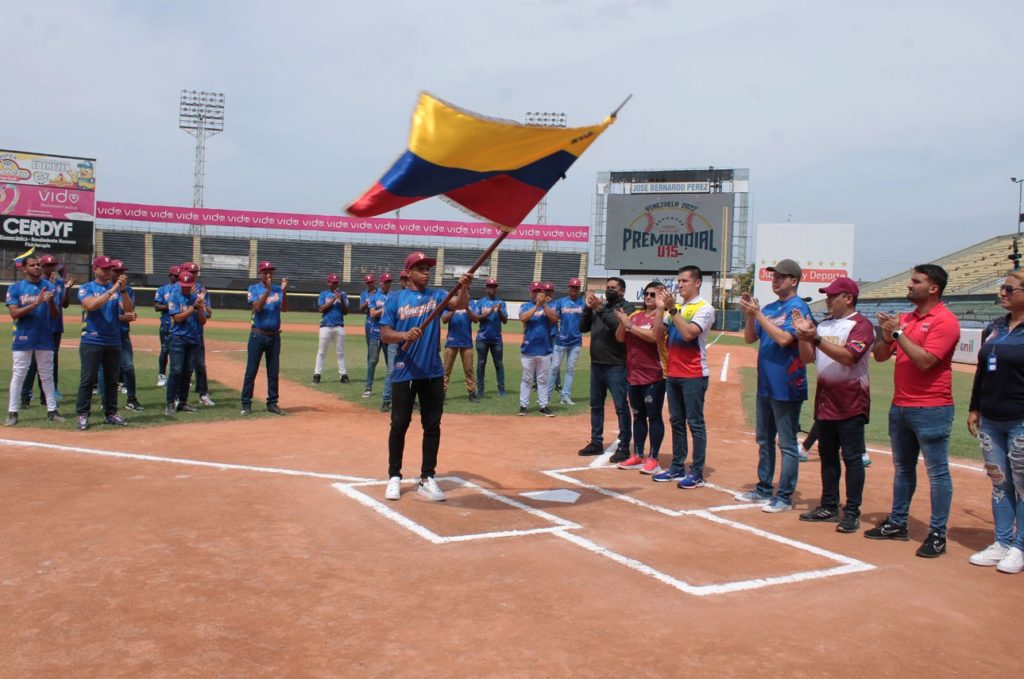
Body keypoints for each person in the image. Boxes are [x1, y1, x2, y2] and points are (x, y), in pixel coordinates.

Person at [867, 264, 960, 558]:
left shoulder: (945, 321)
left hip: (932, 408)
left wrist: (897, 333)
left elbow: (925, 362)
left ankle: (937, 533)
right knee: (903, 469)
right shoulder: (906, 319)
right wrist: (886, 336)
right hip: (901, 406)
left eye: (916, 282)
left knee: (937, 473)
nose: (910, 285)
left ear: (933, 288)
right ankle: (897, 522)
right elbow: (880, 357)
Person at [380, 251, 473, 502]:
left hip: (432, 371)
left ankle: (427, 477)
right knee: (399, 424)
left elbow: (461, 305)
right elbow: (385, 333)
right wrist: (403, 336)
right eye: (420, 268)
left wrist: (464, 287)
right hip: (404, 371)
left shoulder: (438, 295)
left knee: (432, 425)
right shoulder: (396, 299)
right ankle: (394, 477)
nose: (425, 272)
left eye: (428, 268)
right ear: (408, 272)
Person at [792, 277, 874, 534]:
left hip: (851, 401)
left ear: (848, 298)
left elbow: (849, 357)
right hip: (826, 400)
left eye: (832, 295)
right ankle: (828, 505)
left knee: (851, 457)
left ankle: (852, 512)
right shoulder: (824, 324)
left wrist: (814, 338)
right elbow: (807, 359)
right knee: (827, 456)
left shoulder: (861, 325)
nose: (827, 299)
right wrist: (802, 336)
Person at [734, 259, 811, 512]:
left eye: (780, 276)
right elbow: (749, 338)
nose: (775, 280)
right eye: (773, 276)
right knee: (764, 439)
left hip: (787, 385)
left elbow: (784, 338)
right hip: (765, 385)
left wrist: (758, 315)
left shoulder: (798, 308)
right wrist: (750, 316)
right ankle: (764, 488)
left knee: (787, 444)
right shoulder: (769, 308)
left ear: (794, 281)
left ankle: (785, 497)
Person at [967, 271, 1024, 573]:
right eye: (1001, 288)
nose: (1002, 293)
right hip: (991, 419)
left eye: (1008, 289)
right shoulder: (996, 327)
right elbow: (981, 370)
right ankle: (1002, 541)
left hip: (1021, 420)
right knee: (1000, 483)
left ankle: (1020, 546)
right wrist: (975, 407)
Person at [653, 266, 716, 488]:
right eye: (679, 281)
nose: (680, 285)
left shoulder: (704, 308)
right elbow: (658, 335)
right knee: (676, 422)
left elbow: (689, 334)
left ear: (697, 283)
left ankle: (697, 472)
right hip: (674, 373)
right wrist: (661, 309)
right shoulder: (676, 307)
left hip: (694, 374)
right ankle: (677, 467)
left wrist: (672, 311)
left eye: (685, 281)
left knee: (695, 424)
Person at [613, 281, 668, 475]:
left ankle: (653, 458)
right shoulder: (636, 316)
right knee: (637, 416)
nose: (648, 297)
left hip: (654, 373)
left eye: (653, 294)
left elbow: (655, 337)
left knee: (653, 416)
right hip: (633, 373)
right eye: (646, 293)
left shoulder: (664, 315)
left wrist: (629, 325)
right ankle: (637, 455)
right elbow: (620, 338)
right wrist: (624, 322)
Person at [577, 277, 634, 461]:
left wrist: (599, 309)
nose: (609, 289)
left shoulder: (627, 309)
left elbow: (617, 326)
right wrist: (587, 307)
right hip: (597, 364)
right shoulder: (599, 307)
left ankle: (624, 445)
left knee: (621, 406)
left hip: (616, 365)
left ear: (622, 291)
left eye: (613, 287)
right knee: (596, 405)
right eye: (607, 287)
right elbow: (583, 327)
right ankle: (596, 441)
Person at [75, 255, 132, 430]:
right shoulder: (87, 288)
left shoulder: (117, 290)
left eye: (110, 269)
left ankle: (111, 412)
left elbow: (129, 310)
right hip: (92, 339)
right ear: (95, 269)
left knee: (111, 379)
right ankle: (82, 414)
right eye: (104, 269)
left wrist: (122, 291)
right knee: (88, 379)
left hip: (113, 339)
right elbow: (91, 305)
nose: (108, 272)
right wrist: (114, 289)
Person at [5, 255, 63, 425]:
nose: (37, 267)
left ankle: (52, 410)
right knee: (19, 374)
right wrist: (36, 303)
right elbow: (14, 313)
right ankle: (12, 412)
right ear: (24, 269)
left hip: (44, 336)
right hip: (23, 336)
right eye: (33, 265)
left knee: (47, 375)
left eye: (38, 265)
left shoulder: (49, 287)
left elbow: (54, 315)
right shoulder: (16, 288)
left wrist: (51, 301)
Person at [20, 253, 73, 406]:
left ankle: (48, 393)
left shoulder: (58, 282)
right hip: (40, 327)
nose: (50, 268)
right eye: (47, 265)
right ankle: (26, 395)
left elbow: (64, 304)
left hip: (56, 327)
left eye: (52, 265)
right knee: (32, 363)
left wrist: (67, 289)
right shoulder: (36, 284)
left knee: (51, 362)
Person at [241, 261, 288, 416]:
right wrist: (267, 291)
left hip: (274, 336)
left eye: (271, 272)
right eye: (266, 272)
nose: (269, 274)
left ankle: (272, 403)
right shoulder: (253, 288)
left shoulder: (277, 290)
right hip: (258, 335)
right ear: (260, 273)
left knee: (273, 372)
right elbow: (257, 308)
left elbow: (284, 308)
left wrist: (284, 292)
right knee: (251, 371)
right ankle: (246, 403)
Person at [100, 259, 142, 412]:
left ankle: (131, 399)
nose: (120, 274)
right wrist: (120, 317)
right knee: (104, 369)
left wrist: (123, 290)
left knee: (128, 367)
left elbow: (129, 310)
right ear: (109, 271)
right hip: (105, 334)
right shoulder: (103, 288)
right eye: (116, 271)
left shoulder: (128, 290)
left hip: (122, 334)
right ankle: (105, 401)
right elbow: (100, 314)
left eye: (122, 271)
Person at [164, 271, 207, 415]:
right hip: (178, 339)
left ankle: (183, 402)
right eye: (184, 286)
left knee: (188, 372)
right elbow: (178, 318)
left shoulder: (197, 298)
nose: (186, 288)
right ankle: (170, 403)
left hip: (193, 339)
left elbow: (203, 321)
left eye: (189, 286)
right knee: (176, 371)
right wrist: (193, 308)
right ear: (180, 284)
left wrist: (200, 308)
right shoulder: (174, 297)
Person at [518, 282, 558, 416]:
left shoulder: (550, 306)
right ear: (530, 293)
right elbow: (523, 318)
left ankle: (543, 405)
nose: (536, 294)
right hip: (528, 348)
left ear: (543, 293)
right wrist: (537, 305)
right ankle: (523, 405)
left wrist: (544, 305)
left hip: (545, 349)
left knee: (542, 379)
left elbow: (554, 319)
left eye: (538, 291)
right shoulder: (525, 306)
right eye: (534, 291)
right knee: (527, 379)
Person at [181, 262, 215, 407]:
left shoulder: (202, 290)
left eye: (195, 272)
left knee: (200, 365)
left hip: (196, 333)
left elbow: (208, 313)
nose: (194, 275)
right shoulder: (178, 289)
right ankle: (178, 397)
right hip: (181, 333)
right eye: (191, 272)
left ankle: (203, 394)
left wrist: (199, 297)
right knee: (180, 367)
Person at [549, 277, 585, 405]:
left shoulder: (583, 303)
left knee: (570, 369)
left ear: (579, 289)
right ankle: (546, 396)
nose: (574, 289)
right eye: (572, 287)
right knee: (554, 368)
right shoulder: (560, 302)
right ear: (568, 288)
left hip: (576, 341)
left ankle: (565, 396)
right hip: (561, 341)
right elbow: (554, 318)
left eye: (576, 287)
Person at [442, 288, 480, 402]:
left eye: (465, 292)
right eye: (460, 292)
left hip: (466, 342)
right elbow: (444, 319)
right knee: (446, 370)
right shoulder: (449, 303)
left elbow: (476, 319)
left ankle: (472, 393)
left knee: (469, 369)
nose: (462, 294)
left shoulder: (472, 303)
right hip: (451, 341)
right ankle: (441, 394)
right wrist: (455, 307)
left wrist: (466, 306)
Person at [313, 273, 349, 384]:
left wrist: (341, 299)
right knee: (322, 352)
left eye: (336, 282)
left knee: (340, 353)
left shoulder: (343, 294)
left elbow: (346, 312)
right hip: (326, 326)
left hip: (339, 326)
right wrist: (334, 299)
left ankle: (343, 375)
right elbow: (321, 309)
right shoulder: (324, 294)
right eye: (333, 282)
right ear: (328, 283)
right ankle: (317, 375)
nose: (335, 284)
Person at [475, 278, 508, 398]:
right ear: (486, 289)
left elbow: (505, 321)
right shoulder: (480, 302)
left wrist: (499, 312)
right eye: (490, 286)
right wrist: (489, 312)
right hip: (482, 338)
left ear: (496, 288)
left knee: (499, 364)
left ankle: (502, 390)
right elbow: (476, 318)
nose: (492, 289)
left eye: (494, 287)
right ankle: (480, 390)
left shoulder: (501, 303)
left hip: (496, 340)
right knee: (481, 364)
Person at [154, 265, 181, 387]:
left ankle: (178, 375)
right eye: (176, 275)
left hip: (179, 325)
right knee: (165, 350)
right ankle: (161, 375)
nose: (178, 278)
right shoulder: (162, 289)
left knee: (179, 352)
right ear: (170, 275)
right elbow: (156, 306)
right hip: (166, 324)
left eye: (179, 276)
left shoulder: (183, 289)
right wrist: (169, 306)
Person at [360, 273, 386, 399]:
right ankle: (368, 387)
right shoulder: (373, 296)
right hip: (374, 331)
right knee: (372, 360)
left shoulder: (392, 296)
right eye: (385, 282)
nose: (387, 284)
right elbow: (372, 313)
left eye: (389, 282)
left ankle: (391, 390)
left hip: (387, 333)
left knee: (390, 363)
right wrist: (383, 309)